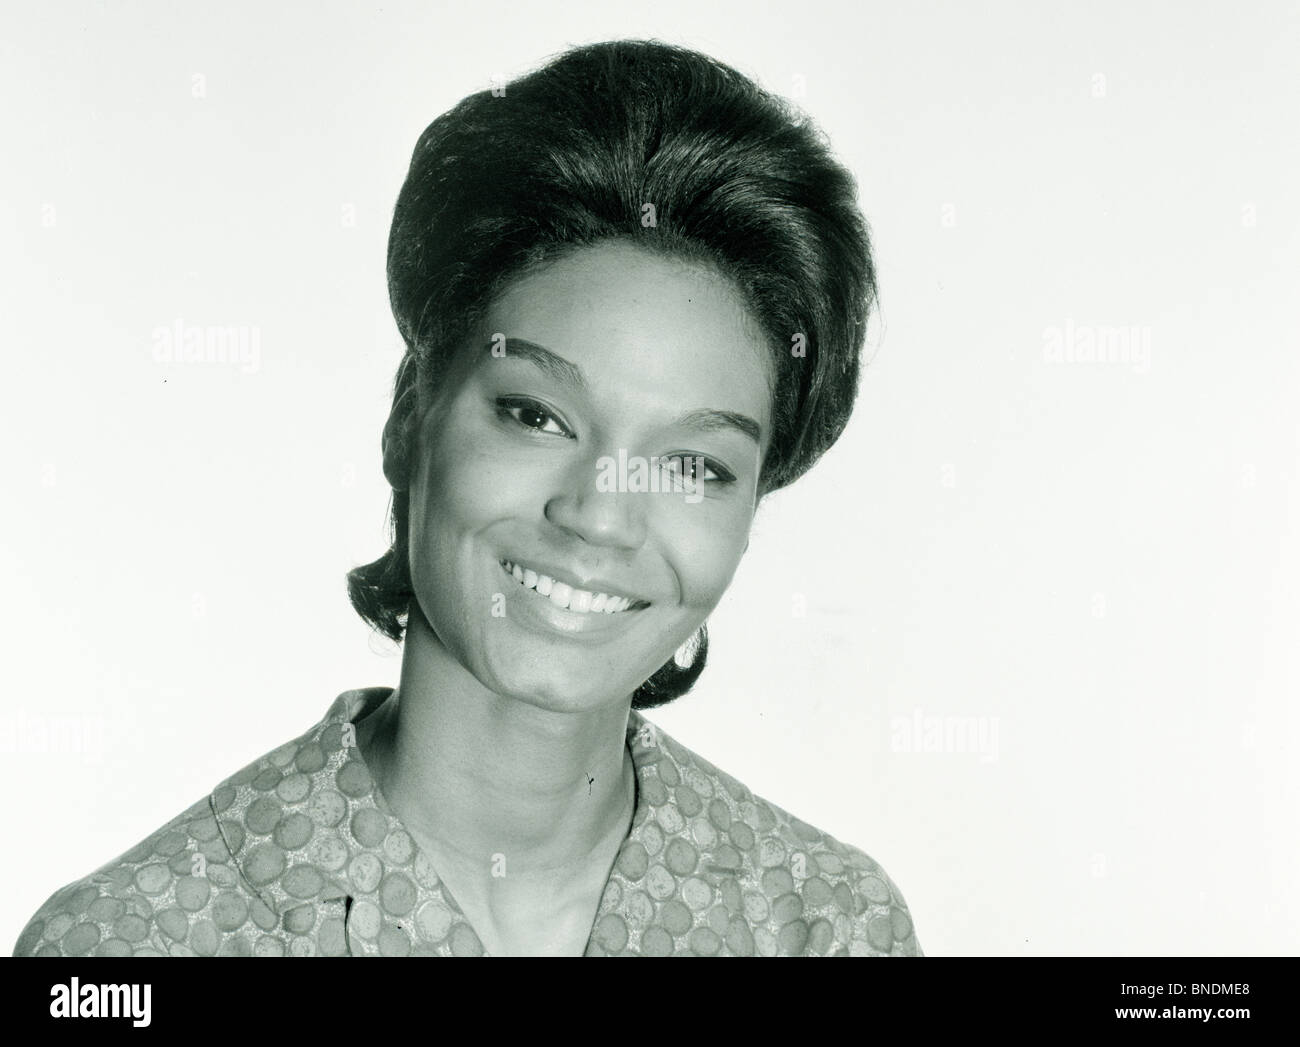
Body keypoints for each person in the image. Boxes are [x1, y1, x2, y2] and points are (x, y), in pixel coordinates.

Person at [15, 38, 922, 957]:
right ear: (412, 418)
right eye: (535, 414)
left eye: (693, 466)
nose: (602, 514)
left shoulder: (829, 926)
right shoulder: (128, 945)